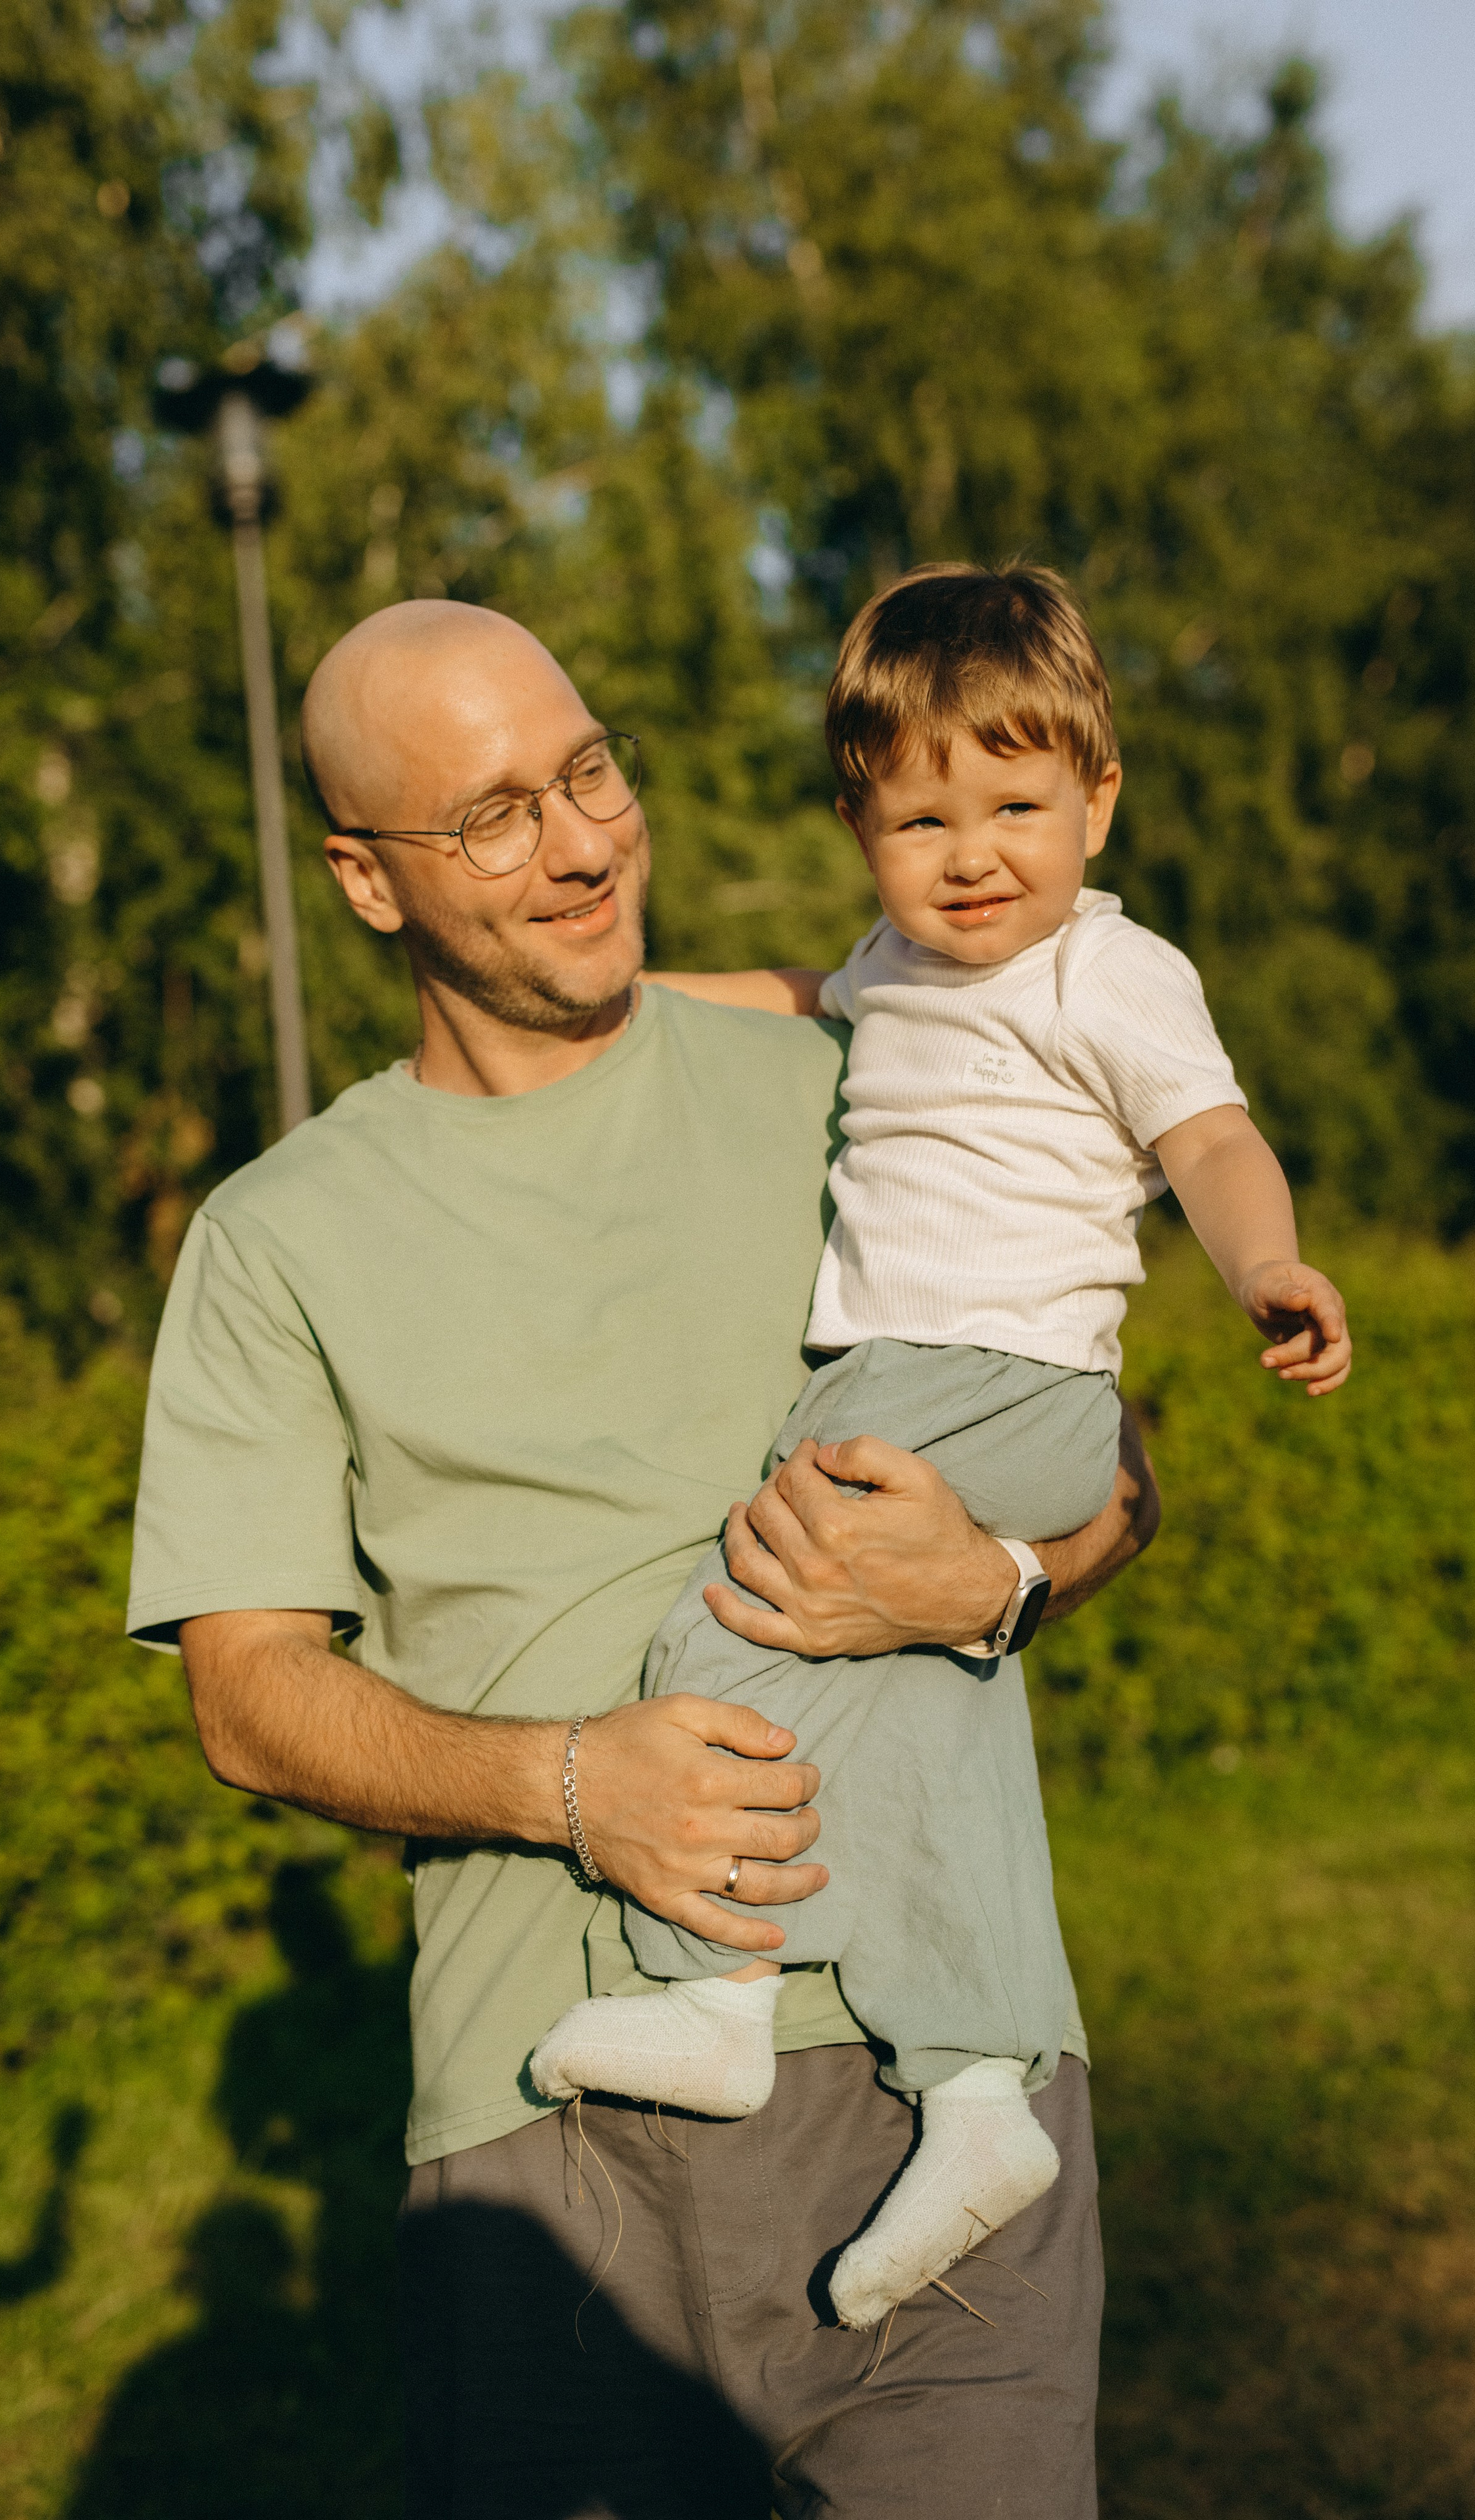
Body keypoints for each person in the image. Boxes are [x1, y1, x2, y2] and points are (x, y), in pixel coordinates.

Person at [125, 597, 1159, 2520]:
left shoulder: (856, 1083)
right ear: (365, 883)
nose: (584, 841)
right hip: (547, 2128)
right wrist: (571, 1786)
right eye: (497, 816)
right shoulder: (276, 1242)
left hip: (946, 2072)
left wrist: (1001, 1583)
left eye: (592, 771)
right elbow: (248, 1697)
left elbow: (1105, 1442)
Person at [530, 563, 1352, 2334]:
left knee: (724, 1627)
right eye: (922, 818)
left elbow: (1210, 1139)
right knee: (926, 1700)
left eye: (1018, 806)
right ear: (861, 825)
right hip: (941, 1388)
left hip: (993, 1382)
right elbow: (804, 993)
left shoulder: (1110, 972)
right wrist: (618, 1000)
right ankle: (981, 2098)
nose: (975, 853)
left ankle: (721, 1991)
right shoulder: (901, 969)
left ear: (1098, 800)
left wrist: (1261, 1267)